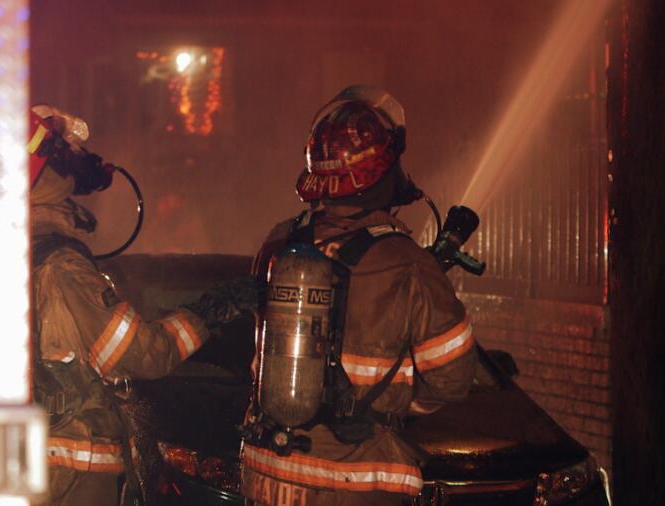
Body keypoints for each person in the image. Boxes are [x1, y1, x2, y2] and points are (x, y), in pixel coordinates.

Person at [240, 86, 478, 506]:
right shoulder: (409, 263)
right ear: (385, 171)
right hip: (355, 482)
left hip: (268, 472)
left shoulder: (280, 242)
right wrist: (392, 404)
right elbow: (454, 379)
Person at [28, 105, 255, 506]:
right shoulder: (62, 269)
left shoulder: (18, 257)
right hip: (72, 472)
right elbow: (140, 354)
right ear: (49, 170)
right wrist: (208, 313)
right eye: (64, 153)